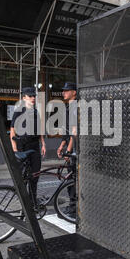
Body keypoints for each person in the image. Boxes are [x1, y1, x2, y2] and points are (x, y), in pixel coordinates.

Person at [10, 87, 46, 209]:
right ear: (24, 97)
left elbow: (39, 129)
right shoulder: (19, 111)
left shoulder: (35, 111)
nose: (33, 98)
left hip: (34, 146)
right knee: (23, 177)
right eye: (30, 96)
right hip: (22, 146)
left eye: (34, 96)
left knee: (35, 175)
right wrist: (14, 149)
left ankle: (33, 202)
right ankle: (23, 202)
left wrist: (43, 143)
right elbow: (12, 130)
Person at [56, 82, 77, 218]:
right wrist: (61, 145)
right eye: (63, 91)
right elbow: (67, 130)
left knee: (73, 179)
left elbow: (75, 131)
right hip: (71, 145)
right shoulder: (69, 107)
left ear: (74, 92)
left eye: (66, 91)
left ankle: (74, 207)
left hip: (75, 147)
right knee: (70, 177)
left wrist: (68, 150)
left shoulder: (76, 107)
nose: (64, 93)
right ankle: (72, 205)